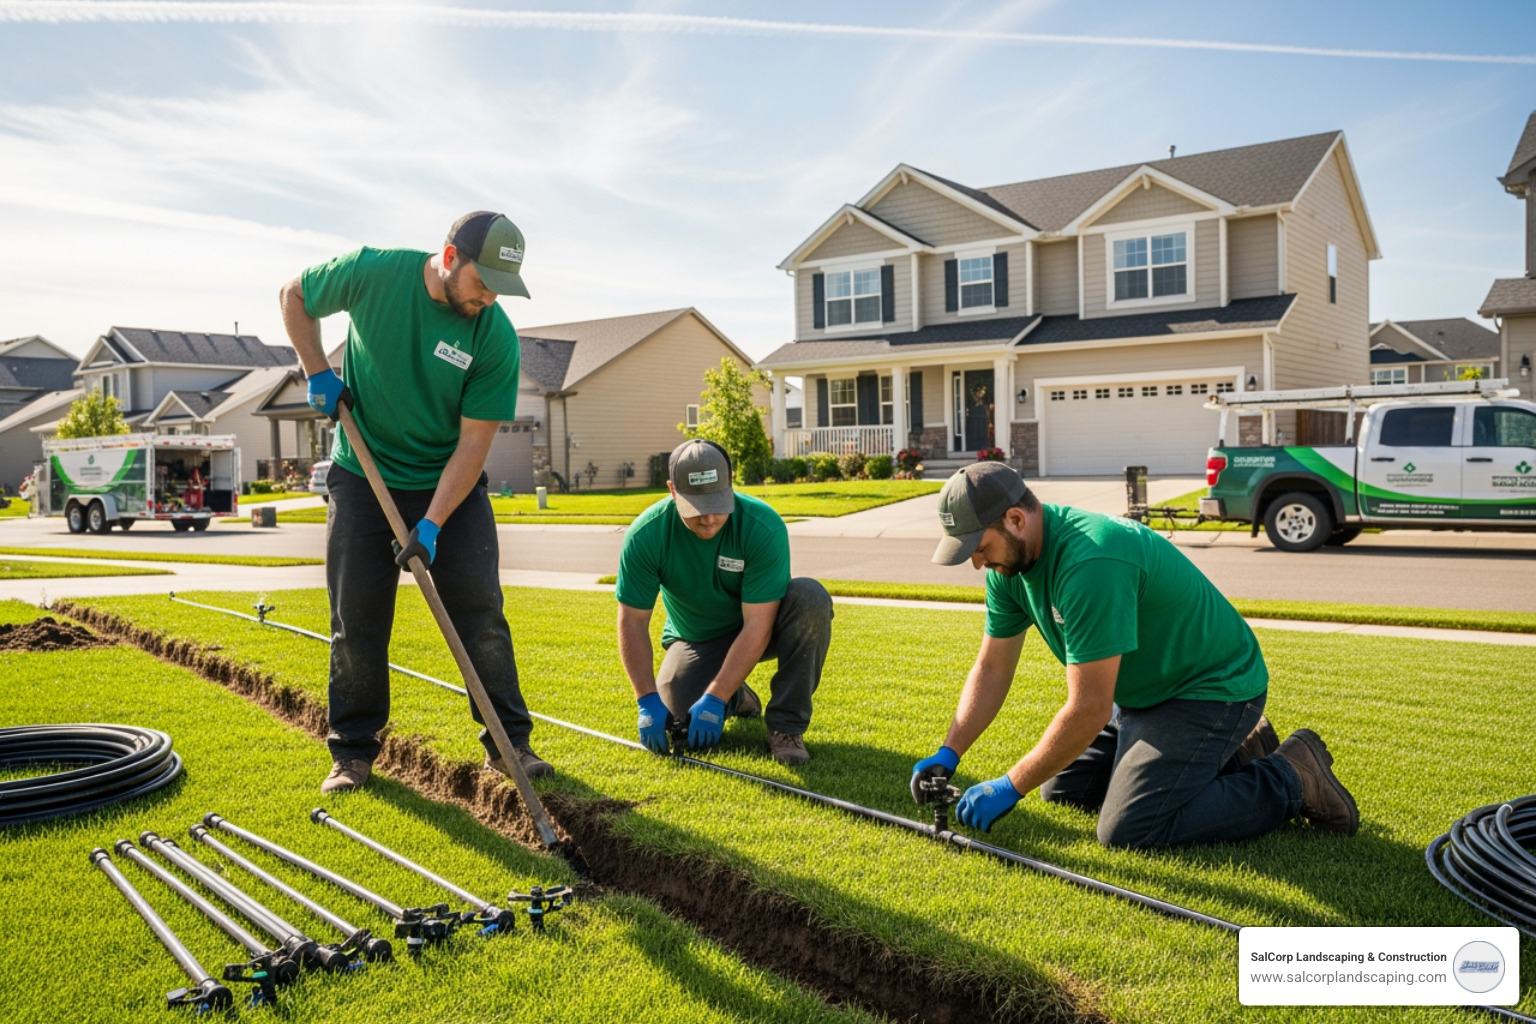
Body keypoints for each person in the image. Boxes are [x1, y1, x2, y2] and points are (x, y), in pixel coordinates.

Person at [910, 461, 1357, 848]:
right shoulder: (1008, 568)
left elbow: (1088, 709)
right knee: (1064, 792)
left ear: (1015, 519)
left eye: (980, 547)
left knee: (1130, 829)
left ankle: (1291, 777)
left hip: (1211, 690)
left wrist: (1010, 785)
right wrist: (950, 752)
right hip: (1145, 692)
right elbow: (992, 666)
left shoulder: (1091, 563)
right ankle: (1239, 751)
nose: (976, 563)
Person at [279, 210, 551, 794]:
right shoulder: (372, 273)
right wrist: (317, 369)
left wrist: (430, 523)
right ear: (450, 258)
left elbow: (474, 444)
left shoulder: (493, 336)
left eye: (501, 291)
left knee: (480, 614)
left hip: (445, 483)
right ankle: (352, 752)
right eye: (483, 284)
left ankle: (509, 744)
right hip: (363, 474)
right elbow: (294, 295)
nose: (489, 300)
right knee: (357, 620)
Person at [615, 439, 833, 765]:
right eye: (696, 508)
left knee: (810, 598)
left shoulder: (762, 526)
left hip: (762, 627)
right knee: (678, 719)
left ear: (730, 481)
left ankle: (786, 728)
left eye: (718, 503)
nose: (709, 519)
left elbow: (758, 624)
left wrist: (714, 696)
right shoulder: (647, 534)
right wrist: (646, 699)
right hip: (696, 638)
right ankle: (738, 697)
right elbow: (632, 621)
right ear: (673, 491)